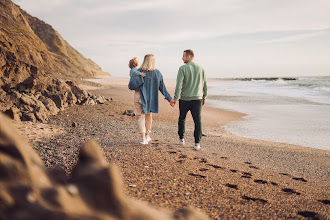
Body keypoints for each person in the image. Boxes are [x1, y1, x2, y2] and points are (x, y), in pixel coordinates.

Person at [170, 49, 207, 150]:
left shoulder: (182, 68)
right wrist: (204, 97)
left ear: (189, 57)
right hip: (197, 99)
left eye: (184, 56)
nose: (182, 58)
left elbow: (179, 85)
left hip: (185, 99)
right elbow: (205, 85)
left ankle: (181, 139)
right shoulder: (201, 68)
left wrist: (175, 98)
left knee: (182, 118)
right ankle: (197, 143)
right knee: (197, 121)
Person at [135, 54, 173, 144]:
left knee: (141, 117)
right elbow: (162, 88)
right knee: (148, 116)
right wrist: (170, 99)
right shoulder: (157, 73)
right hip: (151, 98)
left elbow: (132, 86)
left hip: (139, 97)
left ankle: (143, 138)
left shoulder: (139, 71)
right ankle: (147, 135)